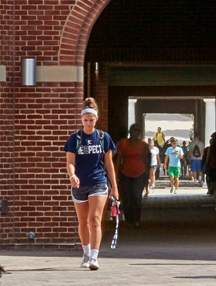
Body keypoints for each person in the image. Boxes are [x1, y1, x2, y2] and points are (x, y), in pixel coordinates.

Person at [63, 99, 119, 270]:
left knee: (95, 219)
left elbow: (109, 164)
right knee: (83, 221)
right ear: (81, 120)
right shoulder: (75, 138)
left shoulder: (103, 137)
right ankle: (86, 253)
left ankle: (94, 256)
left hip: (98, 182)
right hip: (80, 184)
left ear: (96, 119)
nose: (88, 123)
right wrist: (72, 175)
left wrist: (115, 188)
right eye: (85, 120)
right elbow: (70, 161)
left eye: (91, 120)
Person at [116, 126, 151, 224]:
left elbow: (146, 159)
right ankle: (128, 219)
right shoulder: (123, 143)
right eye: (134, 130)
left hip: (140, 173)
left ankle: (136, 220)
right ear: (130, 132)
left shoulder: (143, 145)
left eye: (138, 130)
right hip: (125, 173)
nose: (136, 132)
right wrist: (116, 172)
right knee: (127, 197)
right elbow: (119, 158)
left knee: (137, 197)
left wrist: (147, 173)